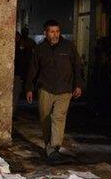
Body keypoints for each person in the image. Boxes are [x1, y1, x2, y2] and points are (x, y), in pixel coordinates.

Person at [25, 19, 84, 162]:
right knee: (45, 119)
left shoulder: (69, 47)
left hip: (65, 89)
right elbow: (33, 70)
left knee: (58, 117)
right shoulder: (40, 49)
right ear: (45, 33)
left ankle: (55, 147)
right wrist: (29, 89)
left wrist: (79, 85)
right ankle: (49, 147)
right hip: (46, 89)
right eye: (52, 32)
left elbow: (77, 67)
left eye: (57, 31)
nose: (55, 34)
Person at [13, 28, 35, 117]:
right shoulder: (19, 45)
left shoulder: (26, 43)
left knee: (16, 94)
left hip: (19, 72)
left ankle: (12, 113)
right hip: (18, 73)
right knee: (15, 94)